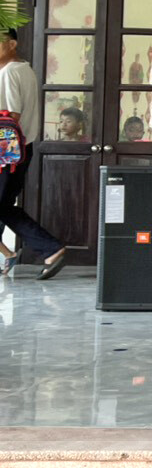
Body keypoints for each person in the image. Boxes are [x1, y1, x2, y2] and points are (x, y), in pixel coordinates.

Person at [0, 27, 68, 279]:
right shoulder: (24, 69)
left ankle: (51, 248)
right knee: (4, 205)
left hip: (6, 151)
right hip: (20, 149)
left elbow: (10, 116)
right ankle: (48, 250)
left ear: (12, 44)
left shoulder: (8, 72)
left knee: (3, 205)